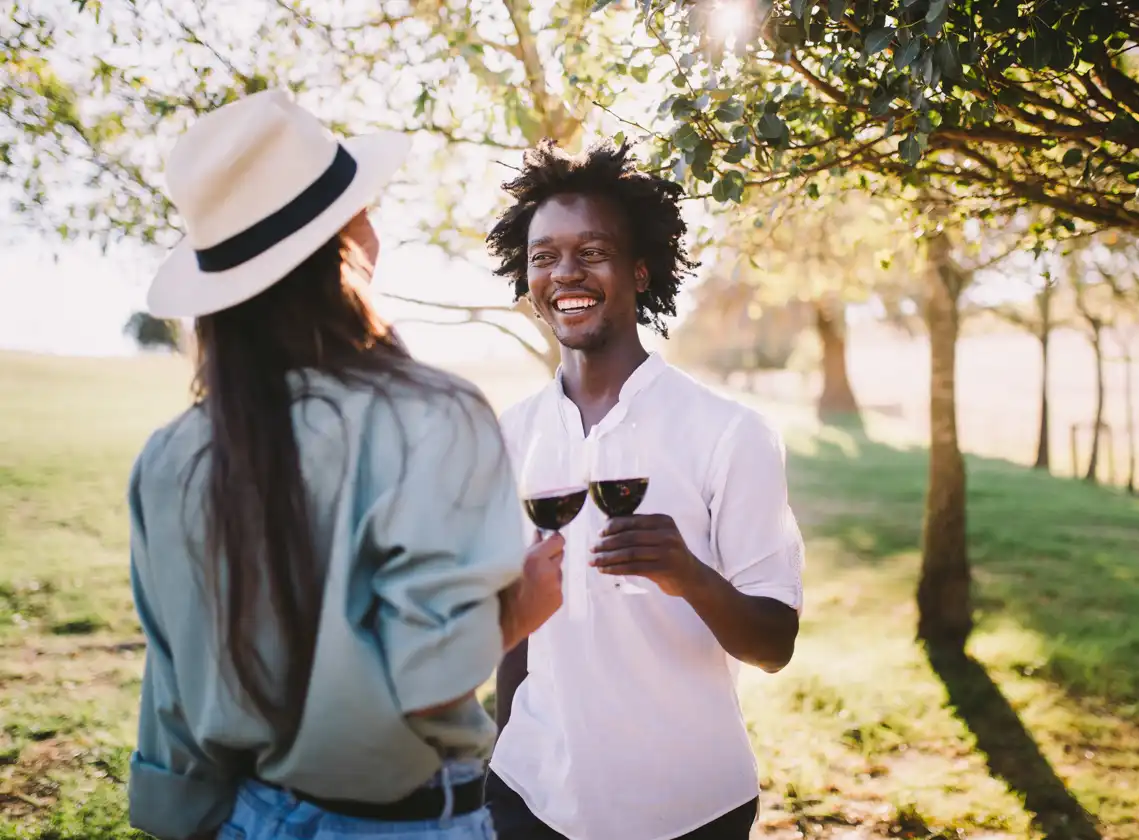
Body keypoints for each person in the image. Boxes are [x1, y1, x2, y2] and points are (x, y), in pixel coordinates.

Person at [125, 89, 563, 840]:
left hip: (240, 816)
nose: (375, 223)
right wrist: (521, 608)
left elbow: (171, 696)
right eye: (364, 207)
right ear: (347, 244)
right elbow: (431, 683)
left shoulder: (170, 456)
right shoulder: (435, 416)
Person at [482, 139, 805, 840]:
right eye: (544, 256)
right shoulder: (511, 435)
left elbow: (775, 643)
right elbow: (516, 629)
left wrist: (688, 576)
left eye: (591, 252)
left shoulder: (731, 433)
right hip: (532, 797)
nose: (565, 273)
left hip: (689, 808)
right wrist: (504, 751)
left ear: (638, 270)